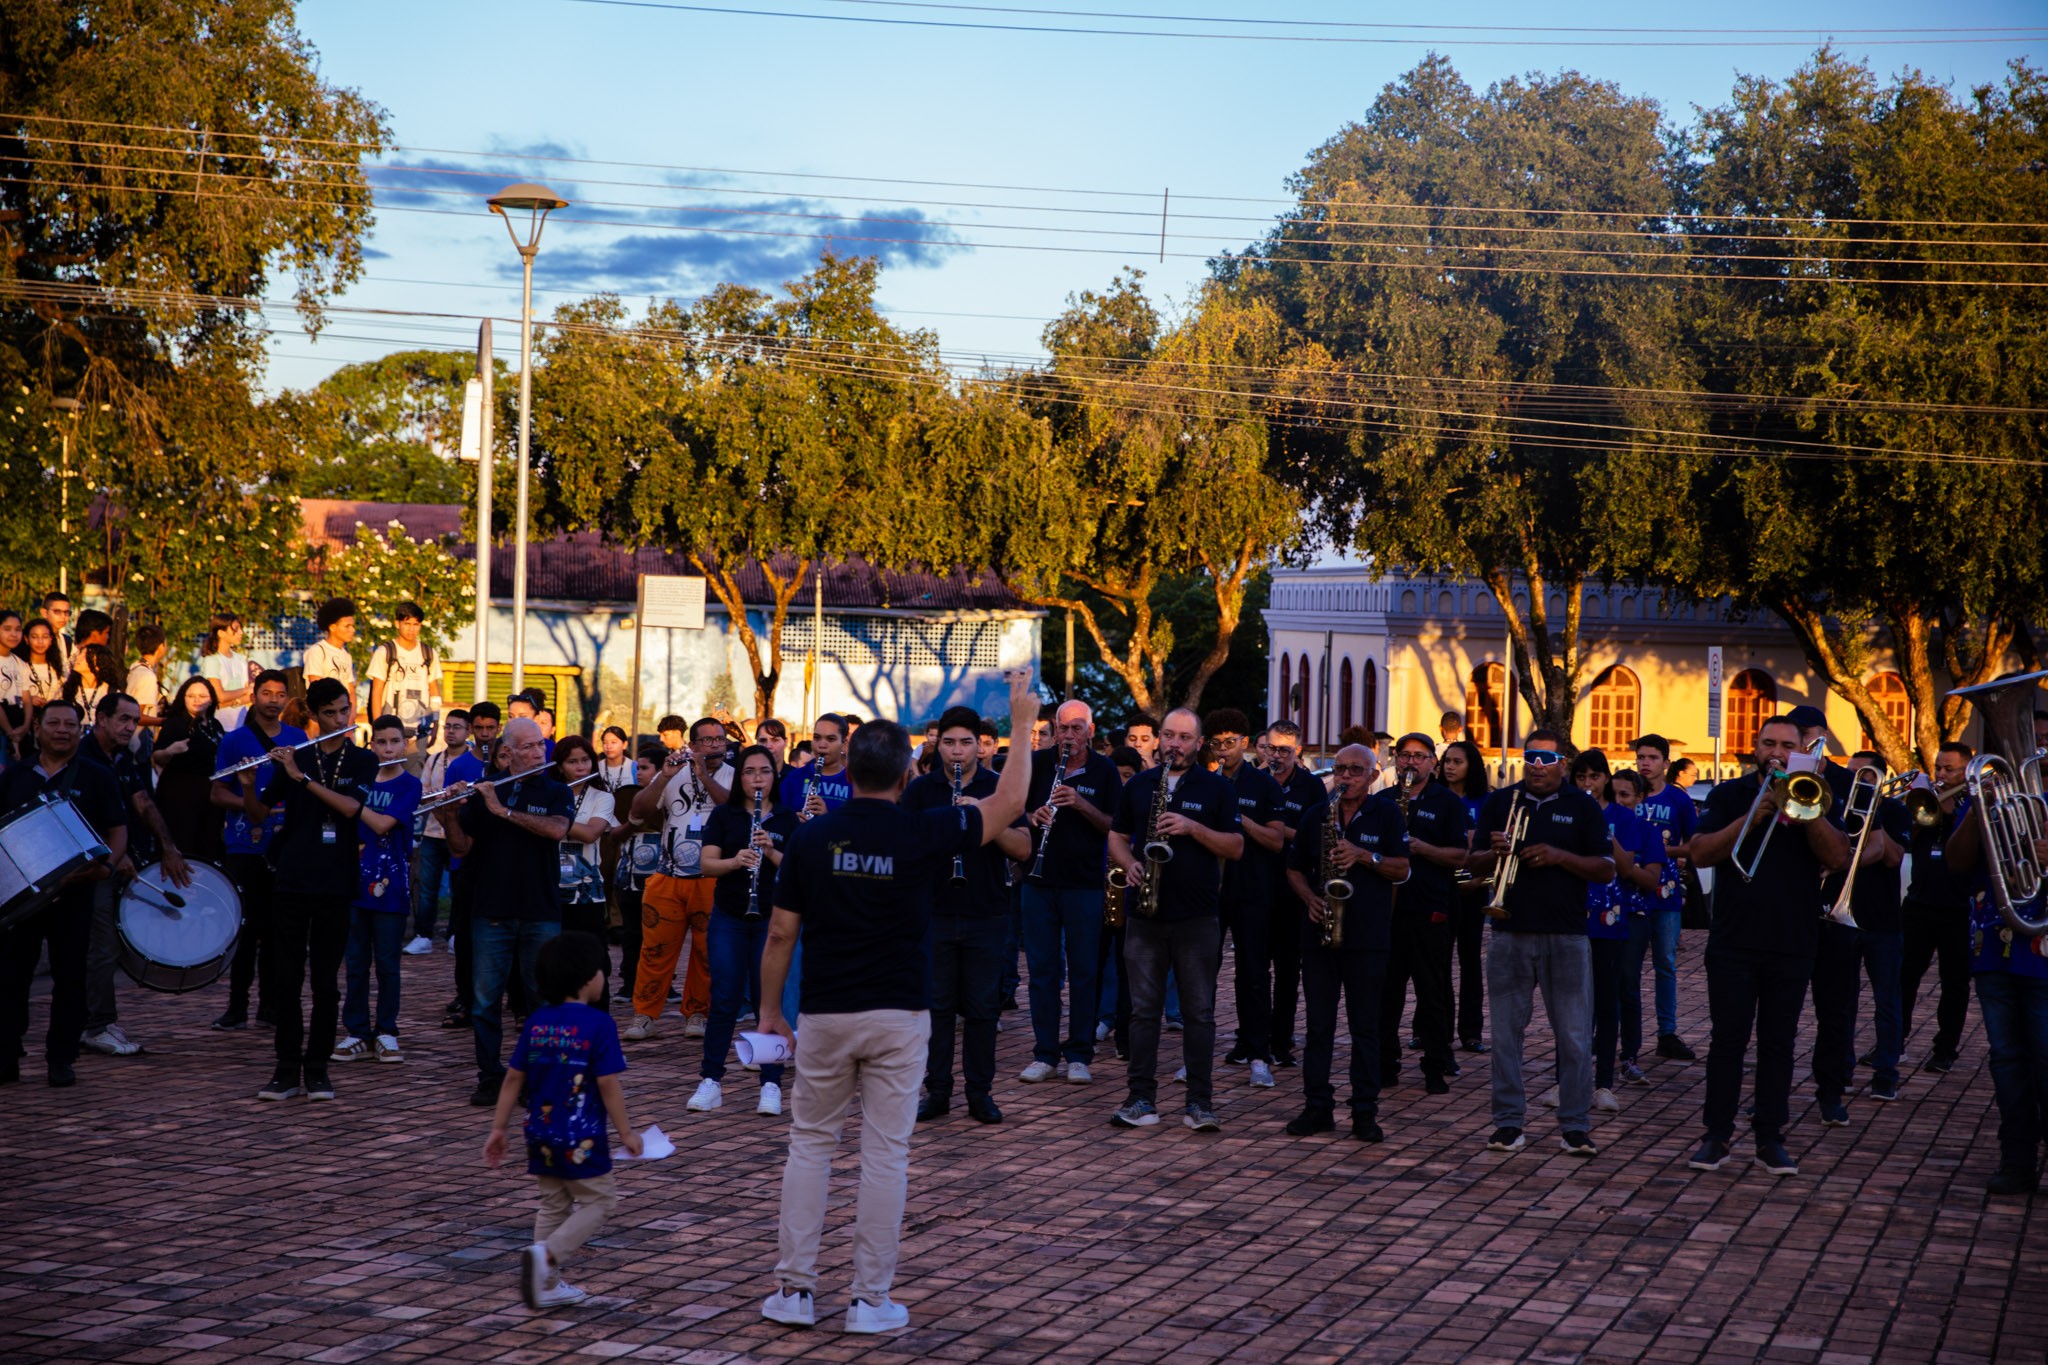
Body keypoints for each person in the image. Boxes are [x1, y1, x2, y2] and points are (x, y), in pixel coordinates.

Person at [755, 672, 1035, 1335]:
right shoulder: (923, 831)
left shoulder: (810, 838)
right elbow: (1011, 800)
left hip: (825, 1010)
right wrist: (1022, 722)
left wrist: (770, 1012)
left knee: (810, 1147)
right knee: (886, 1154)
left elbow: (780, 931)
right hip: (899, 1012)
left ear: (845, 768)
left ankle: (794, 1291)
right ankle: (868, 1300)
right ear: (909, 772)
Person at [1685, 715, 1850, 1177]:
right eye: (1768, 743)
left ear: (1802, 750)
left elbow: (1837, 857)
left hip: (1793, 941)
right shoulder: (1729, 796)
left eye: (1786, 745)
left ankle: (1770, 1138)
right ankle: (1716, 1136)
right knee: (1727, 1043)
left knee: (1779, 1044)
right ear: (1755, 748)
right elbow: (1699, 853)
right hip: (1734, 941)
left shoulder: (1814, 792)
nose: (1775, 751)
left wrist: (1807, 811)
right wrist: (1752, 816)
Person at [1468, 728, 1615, 1158]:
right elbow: (1470, 864)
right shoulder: (1500, 801)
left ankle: (1574, 1125)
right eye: (1531, 756)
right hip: (1508, 932)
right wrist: (1492, 852)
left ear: (1562, 765)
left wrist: (1559, 857)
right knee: (1505, 1036)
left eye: (1546, 759)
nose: (1537, 765)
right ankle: (1508, 1124)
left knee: (1572, 1035)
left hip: (1566, 934)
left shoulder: (1582, 806)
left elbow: (1606, 869)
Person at [483, 930, 641, 1309]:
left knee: (553, 1203)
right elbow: (607, 1084)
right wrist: (627, 1132)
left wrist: (498, 1128)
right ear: (588, 977)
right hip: (582, 1136)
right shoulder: (599, 1025)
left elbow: (512, 1079)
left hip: (538, 1132)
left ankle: (547, 1284)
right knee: (600, 1202)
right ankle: (548, 1256)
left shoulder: (537, 1022)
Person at [1107, 708, 1243, 1132]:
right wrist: (1128, 863)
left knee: (1199, 1012)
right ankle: (1140, 1100)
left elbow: (1236, 846)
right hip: (1145, 914)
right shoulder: (1140, 784)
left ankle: (1199, 1103)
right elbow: (1115, 834)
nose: (1174, 744)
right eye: (1168, 735)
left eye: (1184, 737)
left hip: (1197, 916)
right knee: (1143, 1012)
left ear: (1199, 743)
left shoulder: (1217, 788)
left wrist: (1191, 827)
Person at [253, 678, 384, 1101]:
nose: (339, 720)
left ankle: (319, 1068)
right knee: (286, 979)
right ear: (313, 714)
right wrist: (255, 775)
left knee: (326, 982)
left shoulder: (363, 760)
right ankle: (286, 1068)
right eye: (329, 713)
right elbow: (258, 811)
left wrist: (300, 778)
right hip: (291, 878)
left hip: (336, 881)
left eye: (344, 711)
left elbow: (350, 809)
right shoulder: (297, 756)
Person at [907, 708, 1032, 1123]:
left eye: (965, 743)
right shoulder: (921, 790)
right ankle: (937, 1091)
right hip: (936, 912)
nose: (957, 752)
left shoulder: (1000, 788)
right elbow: (907, 850)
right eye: (948, 742)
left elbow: (1023, 848)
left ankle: (980, 1093)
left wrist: (983, 816)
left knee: (982, 1010)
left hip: (987, 912)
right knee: (938, 1009)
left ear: (979, 745)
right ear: (936, 744)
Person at [1283, 743, 1409, 1140]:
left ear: (1373, 776)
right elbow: (1294, 869)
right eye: (1340, 769)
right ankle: (1317, 1106)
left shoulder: (1387, 813)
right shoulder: (1315, 815)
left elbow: (1402, 868)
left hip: (1367, 936)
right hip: (1320, 933)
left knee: (1365, 1027)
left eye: (1356, 770)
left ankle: (1364, 1112)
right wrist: (1309, 898)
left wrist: (1364, 856)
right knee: (1318, 1025)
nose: (1346, 777)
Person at [448, 717, 576, 1106]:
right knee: (485, 1002)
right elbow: (459, 848)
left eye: (542, 745)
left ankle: (538, 1078)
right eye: (531, 747)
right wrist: (449, 812)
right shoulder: (487, 789)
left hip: (540, 910)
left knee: (542, 1000)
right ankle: (490, 1076)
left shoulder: (555, 789)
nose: (541, 752)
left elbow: (557, 830)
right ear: (508, 753)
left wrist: (500, 809)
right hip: (491, 910)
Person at [0, 700, 125, 1085]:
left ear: (80, 729)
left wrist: (105, 868)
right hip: (22, 901)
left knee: (71, 977)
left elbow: (118, 831)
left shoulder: (99, 776)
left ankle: (61, 1058)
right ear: (37, 728)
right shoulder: (13, 777)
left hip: (76, 893)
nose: (61, 730)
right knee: (11, 978)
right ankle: (6, 1055)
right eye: (52, 723)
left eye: (69, 724)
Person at [1945, 759, 2048, 1194]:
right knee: (2007, 1061)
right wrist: (1977, 809)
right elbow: (1955, 862)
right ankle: (2017, 1160)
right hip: (1994, 949)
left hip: (2043, 954)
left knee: (2046, 1060)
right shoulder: (1994, 800)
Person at [76, 692, 189, 1058]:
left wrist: (168, 846)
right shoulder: (81, 757)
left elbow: (144, 803)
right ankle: (95, 1026)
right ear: (102, 718)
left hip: (123, 860)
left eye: (135, 721)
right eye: (124, 719)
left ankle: (94, 1021)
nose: (130, 727)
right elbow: (76, 816)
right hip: (92, 867)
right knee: (101, 946)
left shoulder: (125, 758)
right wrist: (113, 854)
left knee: (106, 945)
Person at [690, 744, 800, 1117]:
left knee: (767, 1003)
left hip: (773, 920)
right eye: (750, 771)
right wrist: (736, 860)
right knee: (723, 997)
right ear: (740, 778)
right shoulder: (726, 815)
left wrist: (770, 852)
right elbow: (706, 864)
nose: (757, 778)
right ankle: (711, 1080)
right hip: (730, 917)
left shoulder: (787, 819)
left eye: (764, 772)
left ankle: (770, 1083)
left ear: (775, 776)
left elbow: (798, 870)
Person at [1019, 700, 1123, 1085]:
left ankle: (1079, 1053)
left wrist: (1081, 804)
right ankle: (1045, 1053)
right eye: (1063, 728)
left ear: (1090, 732)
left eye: (1077, 728)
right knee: (1043, 971)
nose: (1069, 736)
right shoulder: (1038, 764)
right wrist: (1033, 817)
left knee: (1083, 970)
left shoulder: (1106, 770)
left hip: (1083, 884)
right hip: (1038, 880)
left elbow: (1115, 825)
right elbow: (1017, 812)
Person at [1808, 751, 1908, 1124]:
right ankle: (1843, 1071)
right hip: (1839, 918)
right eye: (1850, 775)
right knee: (1841, 1002)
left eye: (1861, 777)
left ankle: (1885, 1075)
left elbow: (1891, 854)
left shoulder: (1893, 811)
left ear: (1878, 779)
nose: (1854, 783)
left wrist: (1851, 851)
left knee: (1886, 1002)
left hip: (1881, 921)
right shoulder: (1837, 806)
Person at [625, 716, 732, 1042]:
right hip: (667, 877)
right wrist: (662, 778)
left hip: (712, 878)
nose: (715, 745)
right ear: (693, 744)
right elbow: (639, 811)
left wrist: (704, 776)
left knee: (706, 953)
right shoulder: (672, 771)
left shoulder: (735, 775)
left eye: (720, 740)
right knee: (655, 950)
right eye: (708, 740)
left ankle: (697, 1013)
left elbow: (734, 810)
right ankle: (644, 1015)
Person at [209, 671, 303, 1031]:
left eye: (281, 694)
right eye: (267, 693)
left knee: (278, 931)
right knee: (246, 928)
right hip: (242, 846)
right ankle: (237, 1006)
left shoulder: (298, 739)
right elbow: (217, 793)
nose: (274, 700)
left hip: (285, 848)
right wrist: (253, 806)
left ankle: (270, 1006)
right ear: (255, 696)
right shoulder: (234, 741)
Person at [1381, 734, 1473, 1095]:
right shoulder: (1383, 801)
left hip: (1430, 908)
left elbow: (1459, 856)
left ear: (1432, 763)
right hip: (1388, 910)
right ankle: (1385, 1064)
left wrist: (1419, 848)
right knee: (1386, 994)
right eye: (1405, 756)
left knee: (1432, 992)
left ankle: (1435, 1064)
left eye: (1419, 757)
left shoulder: (1447, 802)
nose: (1411, 763)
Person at [1206, 708, 1287, 1091]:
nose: (1224, 751)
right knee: (1201, 973)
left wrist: (1239, 819)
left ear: (1245, 743)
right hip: (1209, 890)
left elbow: (1275, 839)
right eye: (1217, 744)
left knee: (1254, 975)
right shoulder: (1201, 782)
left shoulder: (1264, 784)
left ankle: (1258, 1055)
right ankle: (1197, 1057)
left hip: (1254, 890)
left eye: (1230, 743)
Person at [334, 717, 422, 1065]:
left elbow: (383, 824)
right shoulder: (359, 781)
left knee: (387, 963)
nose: (388, 748)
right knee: (355, 963)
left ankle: (386, 1031)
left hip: (392, 886)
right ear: (372, 746)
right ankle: (356, 1032)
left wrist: (352, 804)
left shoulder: (410, 785)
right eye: (381, 742)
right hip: (353, 883)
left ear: (405, 745)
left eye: (394, 742)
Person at [1623, 734, 1700, 1075]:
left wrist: (1660, 851)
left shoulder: (1678, 800)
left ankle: (1666, 1032)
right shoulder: (1625, 795)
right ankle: (1625, 1034)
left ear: (1666, 763)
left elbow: (1695, 844)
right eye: (1641, 756)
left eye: (1653, 757)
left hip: (1665, 893)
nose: (1645, 763)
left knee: (1665, 964)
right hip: (1629, 893)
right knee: (1625, 967)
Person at [1587, 770, 1662, 1115]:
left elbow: (1647, 878)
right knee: (1591, 989)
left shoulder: (1644, 830)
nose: (1618, 802)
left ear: (1639, 800)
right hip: (1596, 917)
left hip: (1633, 916)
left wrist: (1616, 851)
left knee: (1626, 985)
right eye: (1613, 795)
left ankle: (1628, 1055)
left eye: (1626, 796)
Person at [1900, 742, 1974, 1074]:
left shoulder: (1974, 805)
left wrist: (1954, 814)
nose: (1942, 775)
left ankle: (1945, 1048)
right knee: (1903, 977)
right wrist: (1922, 809)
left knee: (1954, 982)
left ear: (1966, 771)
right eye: (1939, 769)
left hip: (1958, 909)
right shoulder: (1924, 799)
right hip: (1918, 904)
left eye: (1950, 770)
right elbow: (1908, 838)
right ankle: (1892, 1042)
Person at [1263, 720, 1327, 1069]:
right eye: (1271, 749)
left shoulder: (1312, 787)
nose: (1276, 757)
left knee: (1288, 970)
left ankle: (1282, 1040)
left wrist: (1273, 830)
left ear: (1298, 751)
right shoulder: (1255, 780)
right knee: (1254, 969)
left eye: (1284, 750)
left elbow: (1312, 838)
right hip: (1257, 885)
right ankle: (1252, 1038)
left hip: (1294, 889)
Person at [441, 703, 500, 1028]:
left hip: (498, 863)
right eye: (480, 728)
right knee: (464, 935)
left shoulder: (505, 763)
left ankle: (503, 999)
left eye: (491, 728)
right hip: (464, 861)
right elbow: (448, 810)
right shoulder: (460, 764)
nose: (486, 734)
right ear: (472, 729)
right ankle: (465, 997)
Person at [552, 736, 618, 998]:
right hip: (551, 885)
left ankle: (597, 1008)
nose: (581, 767)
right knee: (555, 953)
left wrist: (553, 822)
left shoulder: (602, 797)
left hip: (587, 890)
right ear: (559, 766)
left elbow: (591, 833)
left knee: (592, 955)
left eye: (585, 760)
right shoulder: (549, 793)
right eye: (572, 762)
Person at [1439, 738, 1491, 1052]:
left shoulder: (1484, 801)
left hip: (1474, 888)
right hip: (1441, 888)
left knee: (1470, 961)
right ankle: (1433, 1028)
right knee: (1435, 962)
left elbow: (1489, 845)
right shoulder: (1435, 796)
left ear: (1471, 766)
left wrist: (1480, 879)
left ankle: (1471, 1032)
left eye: (1457, 761)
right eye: (1447, 760)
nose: (1450, 766)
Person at [407, 708, 469, 954]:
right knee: (427, 887)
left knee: (459, 887)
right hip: (433, 832)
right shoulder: (433, 758)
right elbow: (422, 794)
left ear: (468, 731)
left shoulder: (471, 760)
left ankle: (455, 933)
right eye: (448, 726)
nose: (451, 731)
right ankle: (423, 935)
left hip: (460, 834)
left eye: (457, 727)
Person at [609, 744, 666, 1005]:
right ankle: (629, 981)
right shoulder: (628, 796)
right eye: (637, 768)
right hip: (630, 874)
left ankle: (661, 984)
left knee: (658, 932)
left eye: (644, 768)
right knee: (632, 932)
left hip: (659, 874)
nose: (639, 773)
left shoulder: (671, 796)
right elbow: (615, 835)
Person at [150, 677, 226, 861]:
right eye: (190, 695)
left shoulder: (215, 725)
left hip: (209, 794)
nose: (196, 699)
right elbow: (156, 757)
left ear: (211, 699)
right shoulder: (175, 723)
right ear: (183, 698)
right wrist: (170, 751)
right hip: (180, 794)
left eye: (202, 695)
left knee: (207, 845)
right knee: (184, 844)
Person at [365, 601, 444, 736]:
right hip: (390, 729)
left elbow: (434, 690)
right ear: (397, 624)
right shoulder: (385, 652)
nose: (411, 629)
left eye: (416, 624)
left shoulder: (429, 654)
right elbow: (376, 692)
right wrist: (377, 727)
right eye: (407, 624)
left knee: (417, 758)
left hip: (420, 730)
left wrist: (436, 723)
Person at [779, 713, 852, 819]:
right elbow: (778, 823)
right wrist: (793, 823)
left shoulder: (854, 783)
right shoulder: (793, 778)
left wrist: (825, 819)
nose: (822, 745)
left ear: (844, 743)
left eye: (830, 739)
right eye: (817, 738)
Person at [301, 598, 360, 723]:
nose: (352, 630)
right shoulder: (318, 651)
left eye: (353, 625)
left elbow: (350, 690)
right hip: (323, 721)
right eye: (347, 626)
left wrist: (350, 720)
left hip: (342, 719)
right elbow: (315, 687)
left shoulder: (346, 655)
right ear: (333, 627)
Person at [123, 624, 169, 733]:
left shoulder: (136, 668)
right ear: (161, 646)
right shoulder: (147, 676)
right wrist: (165, 721)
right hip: (138, 738)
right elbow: (137, 715)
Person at [0, 610, 29, 761]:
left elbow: (27, 699)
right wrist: (10, 732)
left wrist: (25, 727)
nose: (13, 634)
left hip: (18, 729)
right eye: (7, 629)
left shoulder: (20, 663)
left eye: (18, 630)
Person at [62, 643, 114, 720]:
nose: (78, 658)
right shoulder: (68, 689)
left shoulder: (111, 692)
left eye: (84, 656)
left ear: (98, 662)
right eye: (79, 654)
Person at [40, 590, 73, 673]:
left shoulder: (67, 641)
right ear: (44, 613)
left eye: (66, 612)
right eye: (57, 612)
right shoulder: (32, 640)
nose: (63, 616)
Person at [596, 726, 634, 792]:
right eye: (605, 743)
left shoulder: (635, 767)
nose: (608, 746)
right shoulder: (596, 768)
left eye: (613, 742)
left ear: (624, 744)